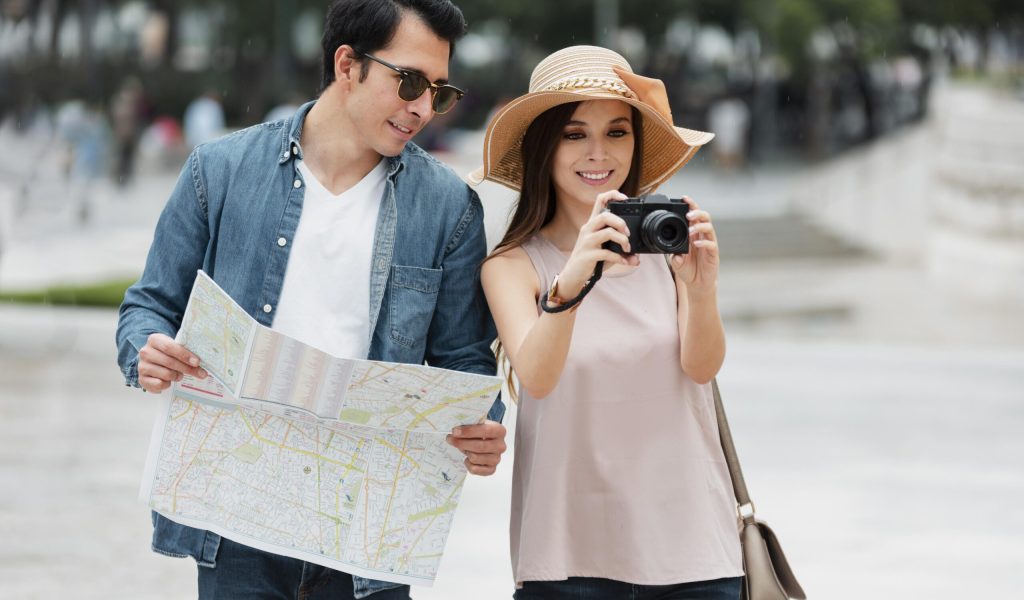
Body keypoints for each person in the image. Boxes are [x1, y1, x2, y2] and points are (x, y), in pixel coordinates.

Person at [115, 1, 507, 598]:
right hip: (235, 521)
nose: (423, 108)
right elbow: (149, 304)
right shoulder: (218, 172)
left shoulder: (449, 209)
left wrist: (483, 424)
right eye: (409, 83)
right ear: (347, 63)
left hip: (366, 535)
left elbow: (465, 361)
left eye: (439, 92)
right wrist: (146, 348)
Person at [470, 46, 744, 599]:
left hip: (694, 553)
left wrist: (701, 285)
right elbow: (539, 377)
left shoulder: (669, 247)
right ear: (545, 146)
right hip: (568, 560)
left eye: (617, 132)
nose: (598, 153)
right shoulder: (513, 267)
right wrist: (571, 282)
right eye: (574, 134)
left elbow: (701, 367)